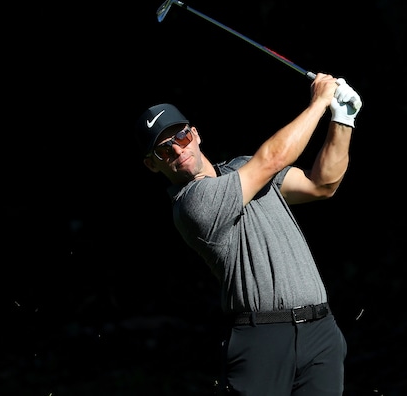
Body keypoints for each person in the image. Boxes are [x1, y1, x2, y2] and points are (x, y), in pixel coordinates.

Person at [135, 73, 362, 395]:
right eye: (163, 150)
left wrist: (342, 120)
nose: (177, 150)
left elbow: (322, 184)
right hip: (262, 340)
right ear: (152, 165)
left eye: (181, 137)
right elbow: (273, 159)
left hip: (321, 331)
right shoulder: (192, 204)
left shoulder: (243, 168)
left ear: (195, 134)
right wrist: (320, 102)